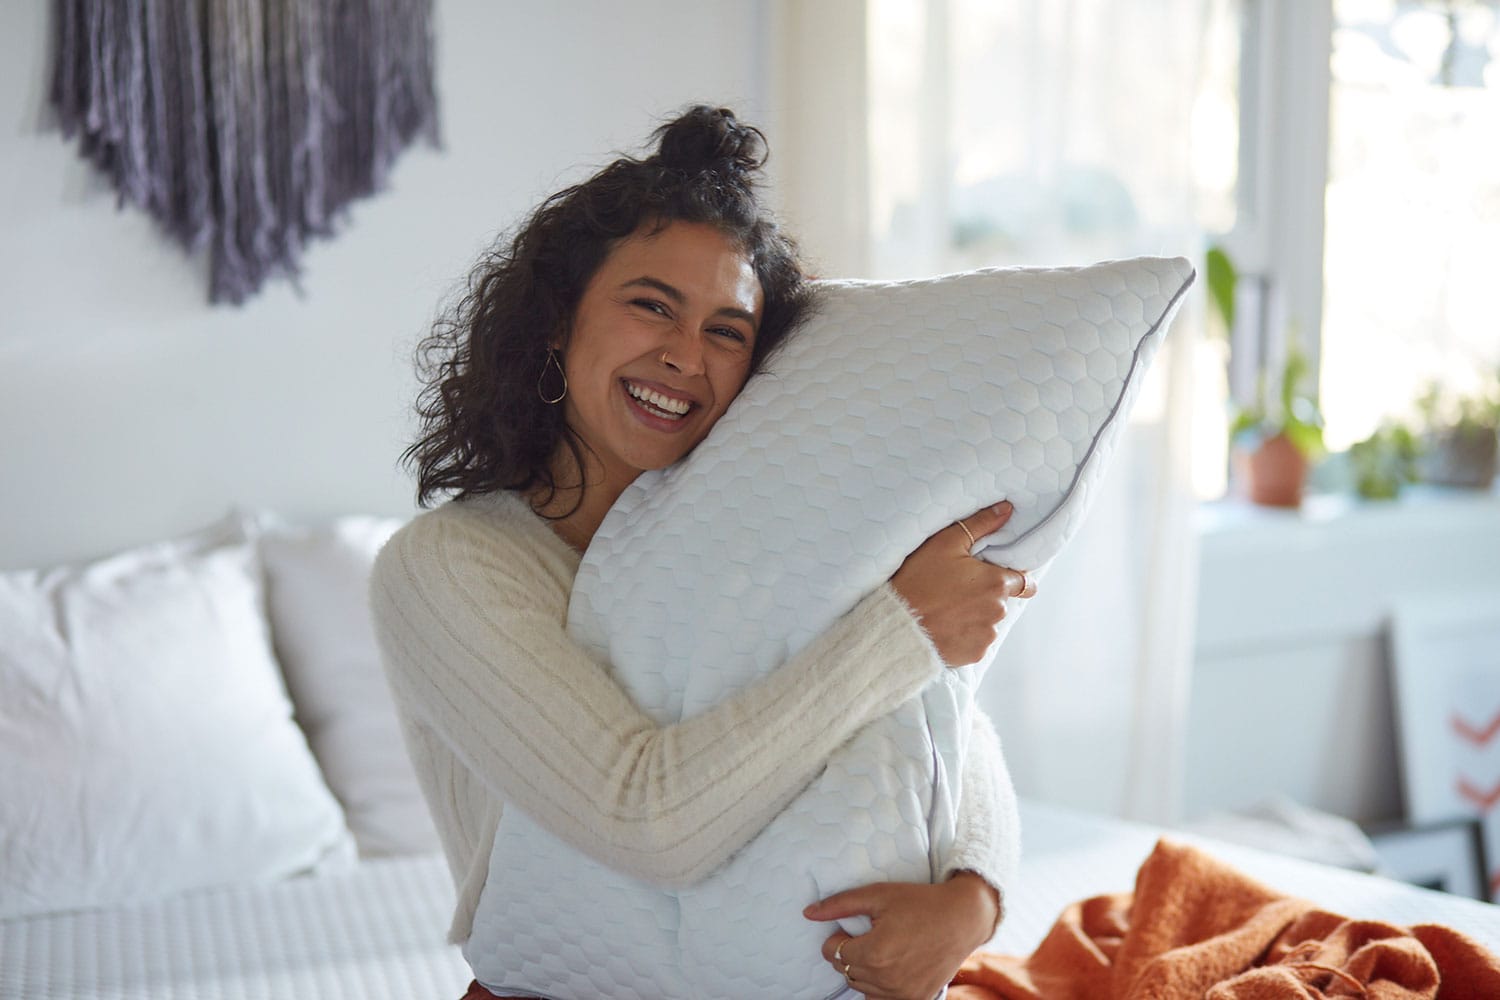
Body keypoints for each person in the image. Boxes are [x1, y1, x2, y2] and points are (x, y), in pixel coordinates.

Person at [370, 105, 1032, 1000]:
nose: (687, 356)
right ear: (558, 323)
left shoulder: (751, 539)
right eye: (652, 306)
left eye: (728, 330)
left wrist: (972, 902)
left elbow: (941, 719)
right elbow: (645, 822)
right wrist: (905, 623)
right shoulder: (446, 566)